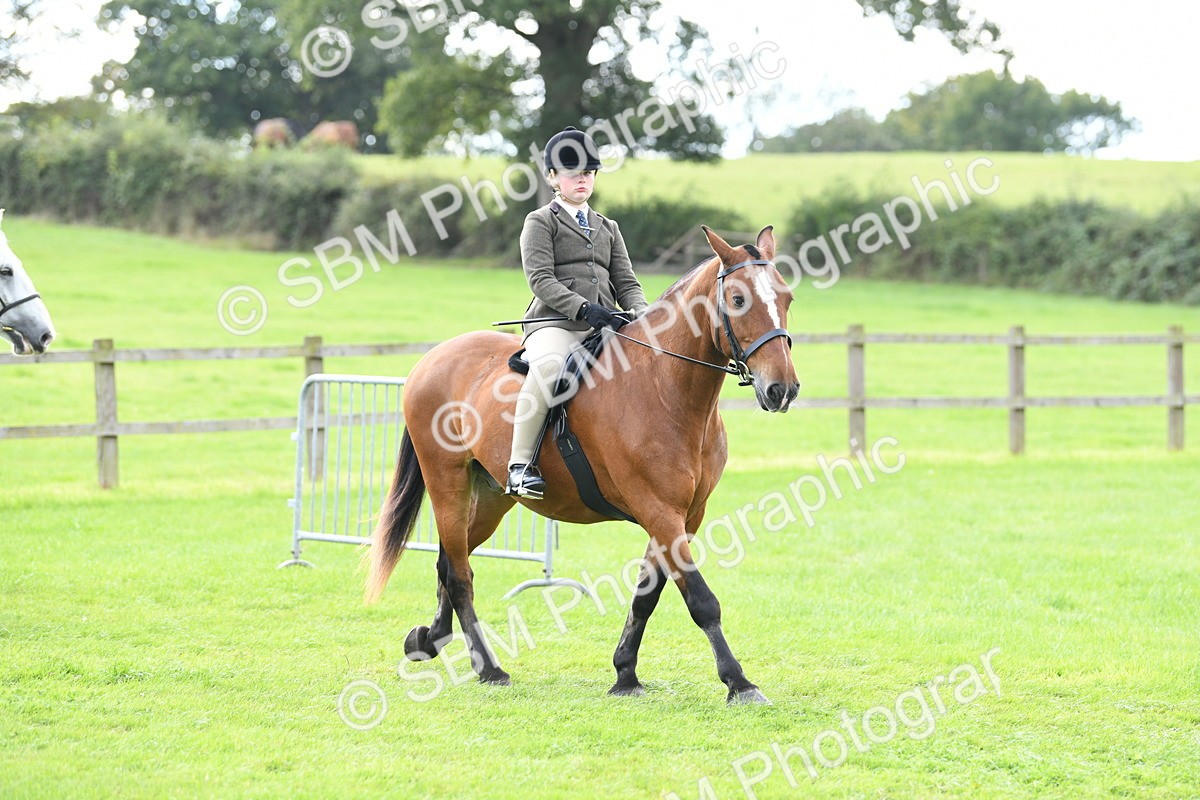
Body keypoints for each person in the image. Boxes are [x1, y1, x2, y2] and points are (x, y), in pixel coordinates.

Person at [506, 126, 650, 499]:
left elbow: (627, 282)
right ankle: (520, 466)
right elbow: (541, 280)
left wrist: (642, 313)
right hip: (556, 325)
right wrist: (586, 308)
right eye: (572, 172)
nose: (581, 179)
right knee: (551, 367)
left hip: (604, 326)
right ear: (553, 177)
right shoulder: (540, 221)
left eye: (588, 172)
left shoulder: (608, 227)